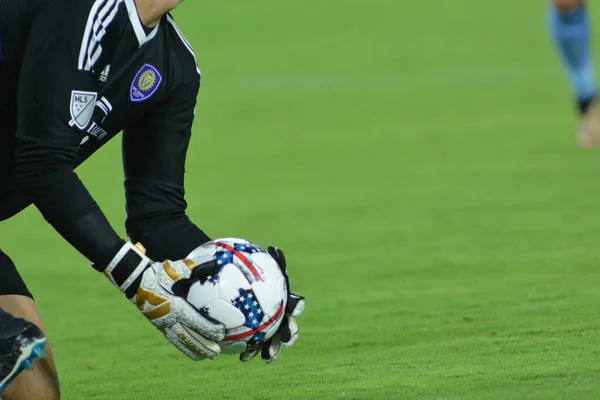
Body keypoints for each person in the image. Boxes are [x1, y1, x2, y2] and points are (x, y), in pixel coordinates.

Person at [0, 0, 305, 398]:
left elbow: (157, 217)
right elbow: (41, 162)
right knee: (11, 346)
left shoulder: (173, 65)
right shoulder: (74, 8)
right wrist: (134, 277)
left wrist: (246, 284)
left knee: (32, 386)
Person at [548, 0, 600, 147]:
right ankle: (587, 121)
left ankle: (590, 120)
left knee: (582, 68)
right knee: (576, 67)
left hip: (574, 17)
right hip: (560, 15)